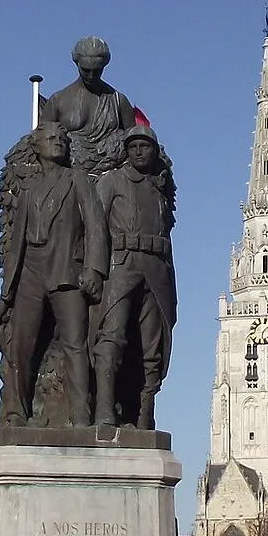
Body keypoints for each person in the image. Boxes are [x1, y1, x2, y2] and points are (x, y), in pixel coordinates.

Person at [0, 121, 106, 425]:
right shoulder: (29, 191)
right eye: (50, 138)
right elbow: (16, 245)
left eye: (61, 138)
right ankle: (16, 411)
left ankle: (81, 414)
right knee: (20, 343)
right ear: (38, 146)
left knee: (75, 343)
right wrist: (7, 295)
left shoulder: (77, 180)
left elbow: (96, 226)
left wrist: (94, 269)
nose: (57, 142)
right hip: (31, 269)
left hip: (66, 268)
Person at [93, 125, 176, 429]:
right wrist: (92, 269)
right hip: (120, 265)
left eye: (146, 147)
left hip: (156, 270)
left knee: (152, 348)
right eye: (134, 147)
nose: (140, 152)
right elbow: (93, 227)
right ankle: (104, 409)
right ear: (125, 151)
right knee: (111, 336)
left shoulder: (159, 189)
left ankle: (144, 415)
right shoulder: (112, 182)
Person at [39, 36, 139, 176]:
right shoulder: (58, 100)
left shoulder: (118, 101)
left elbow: (134, 144)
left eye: (97, 70)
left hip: (111, 177)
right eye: (86, 70)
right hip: (69, 176)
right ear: (77, 64)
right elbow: (42, 141)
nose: (91, 76)